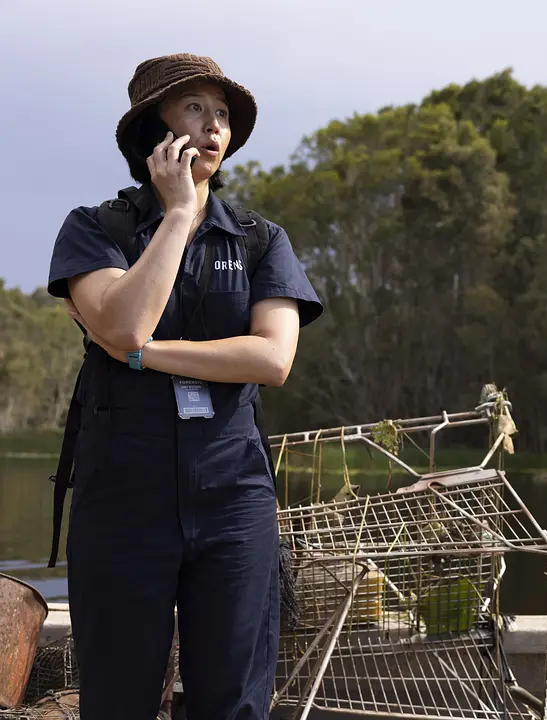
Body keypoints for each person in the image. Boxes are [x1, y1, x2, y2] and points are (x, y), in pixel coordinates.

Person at [46, 54, 323, 719]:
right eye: (195, 108)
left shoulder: (261, 240)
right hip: (121, 497)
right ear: (154, 130)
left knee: (233, 700)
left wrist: (145, 356)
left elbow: (270, 359)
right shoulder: (96, 229)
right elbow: (122, 324)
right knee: (116, 698)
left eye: (222, 114)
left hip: (233, 496)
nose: (213, 126)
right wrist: (176, 215)